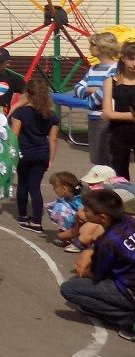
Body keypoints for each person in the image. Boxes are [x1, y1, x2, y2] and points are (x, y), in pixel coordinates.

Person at [58, 189, 135, 340]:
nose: (82, 212)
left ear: (103, 218)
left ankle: (128, 320)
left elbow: (97, 274)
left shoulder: (108, 242)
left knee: (70, 289)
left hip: (130, 289)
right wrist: (89, 251)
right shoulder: (128, 220)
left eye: (87, 211)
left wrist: (83, 269)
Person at [9, 75, 59, 233]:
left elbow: (14, 135)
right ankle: (37, 221)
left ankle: (23, 216)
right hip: (42, 154)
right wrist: (51, 159)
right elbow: (54, 139)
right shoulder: (51, 115)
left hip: (24, 154)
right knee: (35, 187)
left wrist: (15, 107)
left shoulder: (22, 113)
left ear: (28, 94)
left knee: (23, 184)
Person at [76, 32, 119, 166]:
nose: (90, 48)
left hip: (106, 119)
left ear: (102, 47)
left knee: (107, 157)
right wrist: (90, 89)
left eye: (92, 45)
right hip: (93, 118)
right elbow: (77, 88)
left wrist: (89, 99)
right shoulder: (93, 69)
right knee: (96, 158)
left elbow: (105, 93)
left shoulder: (115, 68)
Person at [102, 40, 135, 181]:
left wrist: (117, 115)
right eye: (131, 59)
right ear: (123, 58)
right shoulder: (111, 81)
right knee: (119, 174)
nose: (134, 63)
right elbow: (107, 113)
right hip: (118, 133)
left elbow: (112, 114)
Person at [47, 171, 85, 250]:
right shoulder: (68, 198)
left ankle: (73, 238)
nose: (54, 189)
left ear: (64, 188)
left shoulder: (79, 199)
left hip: (82, 224)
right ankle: (68, 235)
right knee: (57, 206)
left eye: (55, 187)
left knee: (60, 209)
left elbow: (83, 216)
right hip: (76, 222)